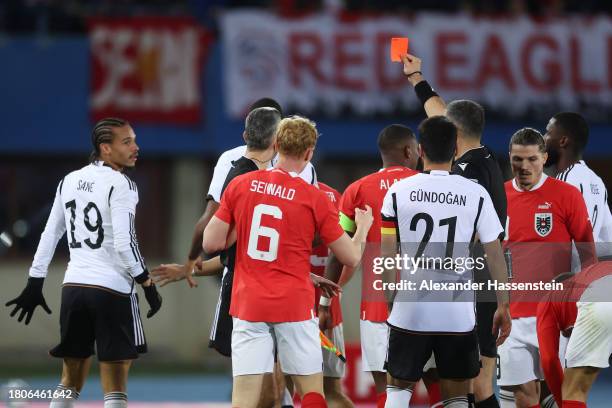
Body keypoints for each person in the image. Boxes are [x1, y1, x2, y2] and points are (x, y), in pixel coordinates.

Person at [202, 115, 374, 408]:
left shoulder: (241, 185)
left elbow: (211, 243)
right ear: (309, 152)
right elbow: (350, 256)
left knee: (244, 398)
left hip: (248, 304)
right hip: (293, 304)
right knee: (311, 393)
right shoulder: (314, 197)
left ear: (276, 144)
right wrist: (363, 228)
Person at [5, 118, 162, 408]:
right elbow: (125, 244)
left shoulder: (70, 180)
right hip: (112, 290)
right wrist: (147, 283)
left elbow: (50, 234)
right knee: (115, 385)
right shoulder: (122, 184)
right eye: (126, 142)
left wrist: (34, 281)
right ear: (106, 148)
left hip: (74, 288)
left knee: (69, 380)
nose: (136, 147)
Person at [380, 116, 511, 408]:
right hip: (457, 313)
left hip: (410, 308)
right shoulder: (476, 195)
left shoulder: (397, 192)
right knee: (455, 395)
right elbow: (493, 254)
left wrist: (391, 298)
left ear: (421, 150)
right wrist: (503, 304)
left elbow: (387, 255)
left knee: (398, 391)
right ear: (455, 150)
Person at [400, 53, 508, 408]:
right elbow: (439, 111)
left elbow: (477, 237)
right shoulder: (481, 156)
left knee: (477, 385)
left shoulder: (469, 175)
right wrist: (418, 78)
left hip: (476, 285)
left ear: (455, 133)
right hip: (484, 284)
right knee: (477, 382)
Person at [319, 124, 418, 408]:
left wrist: (325, 301)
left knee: (385, 389)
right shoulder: (426, 185)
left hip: (377, 305)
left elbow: (338, 251)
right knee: (439, 383)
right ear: (410, 151)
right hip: (427, 300)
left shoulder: (357, 191)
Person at [499, 128, 596, 408]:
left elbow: (588, 253)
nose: (524, 167)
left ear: (544, 157)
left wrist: (583, 307)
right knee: (522, 396)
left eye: (531, 159)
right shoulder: (499, 196)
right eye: (518, 159)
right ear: (510, 158)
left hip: (555, 315)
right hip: (511, 317)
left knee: (559, 393)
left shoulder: (567, 195)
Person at [536, 259, 612, 408]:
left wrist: (562, 402)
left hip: (601, 295)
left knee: (573, 391)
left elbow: (549, 360)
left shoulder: (549, 298)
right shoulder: (590, 275)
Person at [544, 112, 612, 264]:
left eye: (548, 132)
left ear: (563, 141)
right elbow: (608, 239)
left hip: (567, 278)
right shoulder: (597, 181)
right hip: (589, 279)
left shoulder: (564, 181)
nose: (543, 139)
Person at [311, 181, 353, 408]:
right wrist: (332, 293)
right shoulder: (335, 197)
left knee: (281, 388)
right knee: (331, 391)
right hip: (326, 306)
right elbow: (350, 257)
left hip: (287, 307)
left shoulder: (273, 189)